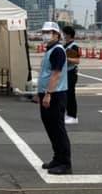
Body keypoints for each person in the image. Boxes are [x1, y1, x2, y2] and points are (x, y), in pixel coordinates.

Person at [35, 21, 72, 174]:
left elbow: (56, 74)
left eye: (49, 32)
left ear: (57, 35)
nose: (45, 34)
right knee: (50, 128)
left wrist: (48, 94)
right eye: (44, 32)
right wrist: (41, 93)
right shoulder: (50, 50)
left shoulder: (57, 50)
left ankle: (64, 162)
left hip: (55, 94)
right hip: (47, 94)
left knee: (57, 129)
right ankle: (57, 158)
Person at [62, 24, 81, 125]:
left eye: (64, 33)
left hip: (70, 73)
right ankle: (68, 114)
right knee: (66, 95)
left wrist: (66, 58)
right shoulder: (65, 45)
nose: (63, 35)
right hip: (65, 73)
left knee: (70, 95)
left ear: (68, 35)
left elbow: (77, 60)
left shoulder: (73, 46)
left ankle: (73, 116)